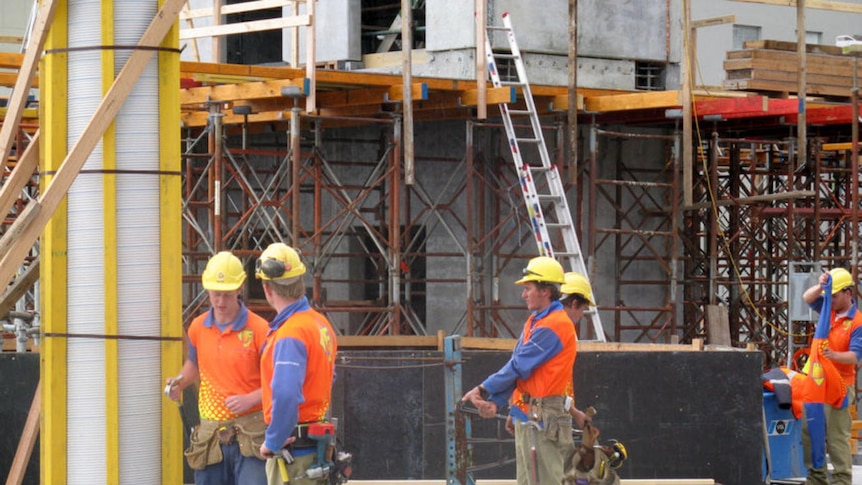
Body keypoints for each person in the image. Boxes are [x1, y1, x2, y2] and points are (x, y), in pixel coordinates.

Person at [461, 256, 577, 485]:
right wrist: (501, 401)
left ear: (545, 291)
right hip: (531, 413)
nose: (523, 294)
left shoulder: (554, 325)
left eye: (528, 288)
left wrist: (483, 389)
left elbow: (518, 365)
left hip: (543, 415)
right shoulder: (535, 322)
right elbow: (522, 369)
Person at [166, 251, 269, 484]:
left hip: (251, 433)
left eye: (227, 295)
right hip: (210, 437)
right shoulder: (198, 327)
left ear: (239, 289)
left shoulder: (259, 330)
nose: (220, 302)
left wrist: (250, 399)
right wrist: (180, 381)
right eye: (215, 295)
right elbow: (194, 363)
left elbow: (276, 381)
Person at [255, 242, 338, 485]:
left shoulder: (291, 333)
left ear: (267, 288)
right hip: (315, 448)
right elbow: (327, 378)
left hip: (295, 455)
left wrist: (274, 440)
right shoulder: (320, 324)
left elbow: (287, 393)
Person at [800, 267, 862, 485]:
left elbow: (855, 357)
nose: (831, 300)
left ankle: (841, 480)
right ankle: (816, 478)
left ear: (848, 293)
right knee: (810, 430)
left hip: (841, 385)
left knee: (836, 436)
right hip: (818, 381)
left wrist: (833, 355)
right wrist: (821, 285)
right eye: (829, 296)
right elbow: (807, 297)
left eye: (834, 295)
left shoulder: (857, 322)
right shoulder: (829, 309)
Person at [559, 271, 594, 429]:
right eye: (582, 309)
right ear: (574, 304)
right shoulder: (562, 329)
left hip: (536, 414)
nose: (581, 316)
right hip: (552, 417)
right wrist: (574, 412)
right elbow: (552, 382)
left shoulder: (539, 323)